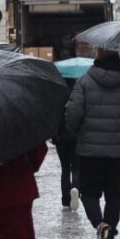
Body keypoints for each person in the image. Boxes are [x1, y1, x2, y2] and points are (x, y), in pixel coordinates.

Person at [65, 49, 120, 239]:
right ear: (118, 59)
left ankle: (101, 226)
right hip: (118, 151)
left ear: (98, 58)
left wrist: (77, 133)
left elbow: (73, 113)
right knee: (113, 194)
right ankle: (109, 236)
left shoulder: (84, 81)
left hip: (90, 150)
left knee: (89, 193)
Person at [53, 78, 80, 211]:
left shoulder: (56, 96)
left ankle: (65, 199)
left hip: (60, 138)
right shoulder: (77, 95)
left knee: (65, 169)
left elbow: (52, 118)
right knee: (76, 168)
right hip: (75, 136)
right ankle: (75, 189)